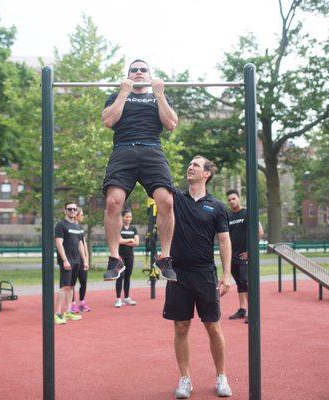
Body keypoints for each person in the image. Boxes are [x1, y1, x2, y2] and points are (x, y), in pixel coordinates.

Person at [101, 59, 178, 282]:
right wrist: (123, 93)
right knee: (113, 201)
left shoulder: (157, 95)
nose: (138, 72)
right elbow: (108, 120)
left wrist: (160, 94)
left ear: (149, 75)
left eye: (143, 70)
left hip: (152, 149)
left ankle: (165, 258)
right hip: (123, 149)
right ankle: (115, 259)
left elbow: (171, 124)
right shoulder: (118, 96)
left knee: (167, 201)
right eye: (133, 70)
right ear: (128, 75)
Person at [163, 156, 233, 399]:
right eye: (189, 164)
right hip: (178, 274)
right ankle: (185, 379)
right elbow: (157, 181)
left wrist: (226, 274)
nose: (190, 167)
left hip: (205, 274)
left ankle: (221, 376)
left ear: (207, 174)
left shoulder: (217, 206)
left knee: (213, 326)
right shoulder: (176, 198)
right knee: (181, 326)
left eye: (196, 165)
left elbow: (224, 240)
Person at [226, 189, 264, 324]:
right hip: (233, 256)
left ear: (239, 198)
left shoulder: (248, 213)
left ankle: (252, 312)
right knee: (240, 283)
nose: (231, 201)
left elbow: (259, 232)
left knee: (246, 284)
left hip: (244, 256)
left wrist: (250, 251)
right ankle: (242, 309)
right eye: (229, 200)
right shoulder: (228, 217)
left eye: (233, 199)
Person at [53, 202, 88, 325]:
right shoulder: (60, 225)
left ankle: (68, 311)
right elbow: (59, 244)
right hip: (67, 261)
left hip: (77, 261)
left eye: (74, 209)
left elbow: (80, 244)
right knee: (64, 287)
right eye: (70, 209)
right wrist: (64, 260)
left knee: (72, 287)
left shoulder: (78, 226)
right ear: (65, 211)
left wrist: (84, 260)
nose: (72, 211)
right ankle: (57, 314)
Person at [114, 209, 140, 308]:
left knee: (127, 276)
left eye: (130, 217)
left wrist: (126, 241)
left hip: (130, 256)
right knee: (120, 276)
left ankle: (127, 297)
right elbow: (119, 241)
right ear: (122, 217)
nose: (128, 218)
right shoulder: (119, 227)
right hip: (120, 255)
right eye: (126, 216)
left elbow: (137, 243)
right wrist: (130, 239)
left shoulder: (134, 228)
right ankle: (118, 299)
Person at [70, 207, 91, 313]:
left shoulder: (81, 228)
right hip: (74, 258)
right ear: (77, 215)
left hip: (82, 259)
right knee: (72, 283)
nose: (83, 216)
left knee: (83, 281)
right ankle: (72, 304)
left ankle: (82, 302)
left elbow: (83, 243)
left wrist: (86, 258)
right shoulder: (71, 227)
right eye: (81, 214)